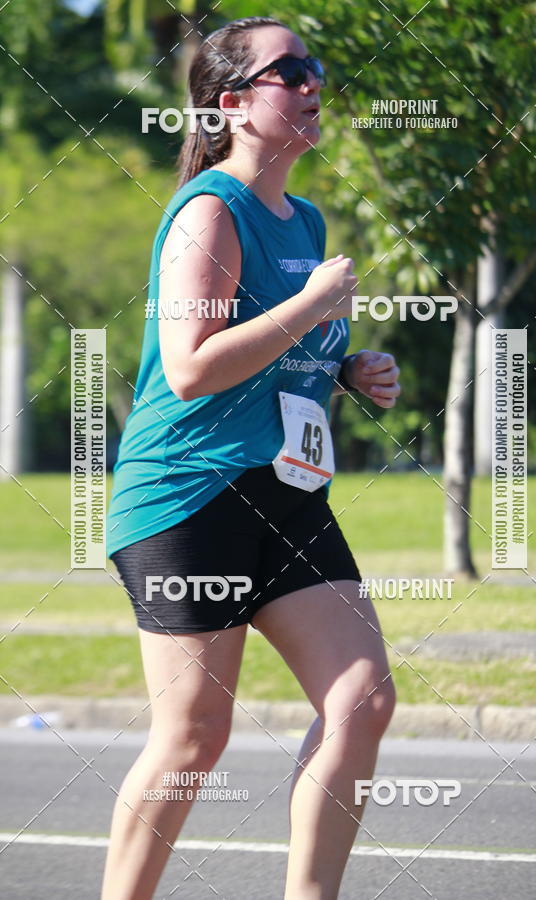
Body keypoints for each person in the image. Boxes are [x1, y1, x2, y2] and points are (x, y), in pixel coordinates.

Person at [101, 15, 400, 900]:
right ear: (230, 105)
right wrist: (310, 308)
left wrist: (344, 368)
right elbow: (191, 368)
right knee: (194, 737)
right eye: (290, 71)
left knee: (362, 699)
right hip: (190, 497)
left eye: (317, 68)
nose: (313, 85)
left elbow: (272, 353)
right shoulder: (210, 210)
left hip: (287, 493)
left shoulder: (303, 217)